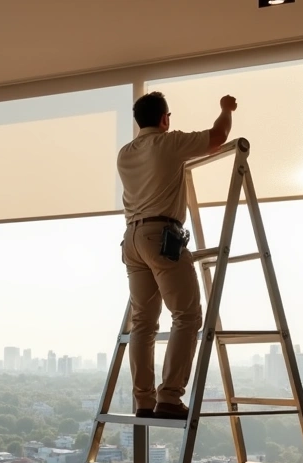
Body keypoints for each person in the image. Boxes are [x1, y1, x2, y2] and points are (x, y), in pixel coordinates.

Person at [117, 92, 237, 420]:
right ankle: (169, 396)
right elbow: (218, 137)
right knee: (187, 316)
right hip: (161, 236)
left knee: (143, 323)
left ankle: (143, 401)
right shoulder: (168, 144)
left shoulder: (125, 153)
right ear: (164, 119)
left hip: (132, 240)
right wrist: (226, 108)